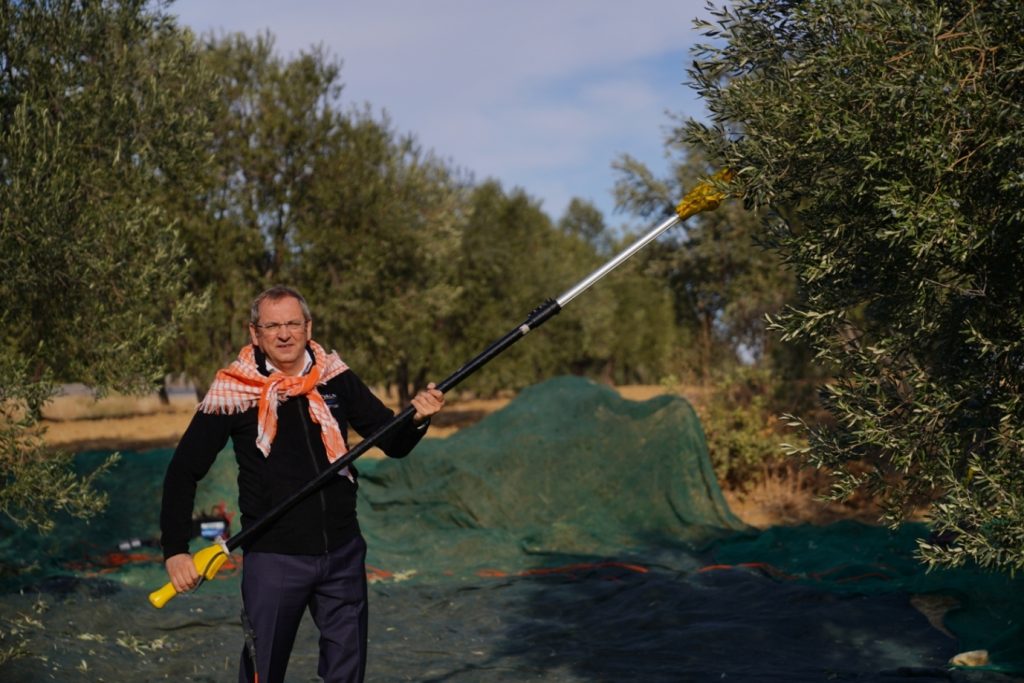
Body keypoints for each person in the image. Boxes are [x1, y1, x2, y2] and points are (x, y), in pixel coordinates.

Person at [159, 285, 445, 683]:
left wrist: (417, 418)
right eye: (272, 325)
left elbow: (391, 440)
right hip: (274, 559)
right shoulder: (235, 391)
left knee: (346, 674)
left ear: (308, 327)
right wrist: (175, 551)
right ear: (254, 332)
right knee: (264, 673)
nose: (284, 333)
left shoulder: (334, 377)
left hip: (343, 554)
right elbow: (183, 470)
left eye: (293, 323)